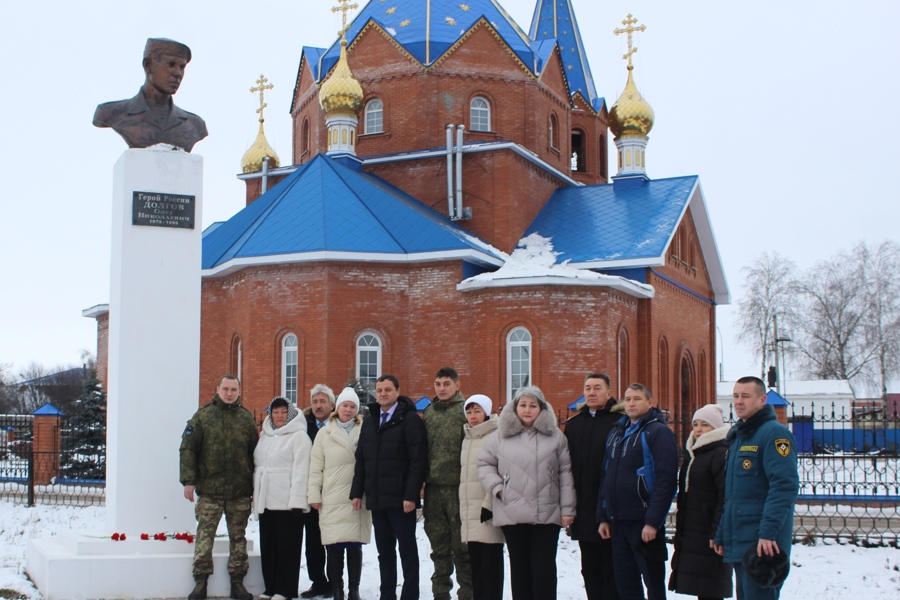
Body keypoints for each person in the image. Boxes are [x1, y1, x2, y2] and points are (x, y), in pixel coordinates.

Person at [477, 385, 575, 600]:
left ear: (541, 409)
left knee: (544, 570)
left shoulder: (555, 436)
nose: (527, 410)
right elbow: (484, 464)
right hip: (513, 512)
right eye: (523, 405)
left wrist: (568, 509)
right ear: (515, 407)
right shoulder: (500, 435)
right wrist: (498, 489)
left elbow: (565, 473)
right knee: (519, 569)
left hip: (547, 514)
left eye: (533, 405)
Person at [714, 377, 799, 599]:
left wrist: (768, 534)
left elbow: (784, 487)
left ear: (762, 400)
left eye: (745, 396)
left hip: (763, 545)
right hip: (741, 539)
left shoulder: (774, 434)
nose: (739, 401)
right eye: (735, 396)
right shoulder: (740, 436)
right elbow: (733, 495)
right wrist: (723, 532)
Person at [179, 374, 259, 600]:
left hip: (239, 491)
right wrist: (189, 480)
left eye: (234, 389)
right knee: (205, 537)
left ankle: (238, 582)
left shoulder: (245, 419)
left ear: (239, 392)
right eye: (225, 388)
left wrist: (255, 485)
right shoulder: (203, 417)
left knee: (238, 538)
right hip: (210, 490)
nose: (229, 393)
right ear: (217, 389)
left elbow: (256, 454)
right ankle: (201, 582)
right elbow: (188, 449)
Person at [597, 383, 678, 600]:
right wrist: (603, 516)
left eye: (637, 398)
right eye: (628, 398)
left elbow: (666, 480)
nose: (631, 403)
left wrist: (653, 522)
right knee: (626, 584)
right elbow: (606, 477)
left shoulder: (658, 432)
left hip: (644, 523)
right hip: (618, 521)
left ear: (650, 403)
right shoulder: (616, 432)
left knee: (653, 584)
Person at [350, 375, 427, 600]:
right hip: (377, 498)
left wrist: (412, 495)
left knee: (407, 552)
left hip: (402, 500)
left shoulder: (410, 420)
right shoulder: (371, 420)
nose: (383, 393)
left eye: (388, 389)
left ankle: (410, 595)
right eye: (380, 390)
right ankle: (387, 594)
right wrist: (357, 492)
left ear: (397, 391)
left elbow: (417, 461)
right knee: (385, 552)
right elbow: (362, 459)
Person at [308, 387, 373, 600]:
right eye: (345, 405)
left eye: (353, 406)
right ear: (338, 407)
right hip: (332, 497)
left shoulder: (366, 431)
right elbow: (315, 467)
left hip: (357, 497)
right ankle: (337, 589)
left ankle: (354, 589)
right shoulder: (324, 434)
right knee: (334, 547)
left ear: (357, 410)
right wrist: (314, 496)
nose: (348, 410)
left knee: (354, 546)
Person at [564, 373, 622, 600]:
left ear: (609, 393)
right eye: (587, 388)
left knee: (612, 569)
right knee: (589, 568)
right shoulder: (575, 424)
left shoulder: (619, 422)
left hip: (610, 508)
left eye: (597, 388)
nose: (591, 392)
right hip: (584, 508)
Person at [93, 38, 208, 151]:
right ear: (148, 65)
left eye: (182, 67)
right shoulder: (111, 112)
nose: (178, 73)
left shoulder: (194, 125)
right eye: (170, 64)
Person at [669, 404, 733, 600]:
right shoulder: (694, 453)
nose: (698, 429)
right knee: (703, 586)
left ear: (715, 428)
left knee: (712, 587)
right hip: (694, 531)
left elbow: (725, 496)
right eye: (695, 424)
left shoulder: (720, 453)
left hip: (708, 532)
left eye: (704, 425)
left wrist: (717, 531)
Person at [253, 397, 313, 600]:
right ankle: (270, 586)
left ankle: (285, 589)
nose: (279, 416)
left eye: (283, 412)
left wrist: (298, 501)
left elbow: (301, 470)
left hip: (288, 503)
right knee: (269, 546)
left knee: (288, 548)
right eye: (275, 412)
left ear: (291, 415)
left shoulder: (299, 437)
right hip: (267, 501)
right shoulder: (266, 435)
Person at [423, 367, 472, 600]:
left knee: (463, 548)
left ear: (457, 385)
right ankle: (440, 594)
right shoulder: (430, 412)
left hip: (458, 489)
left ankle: (468, 594)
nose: (441, 388)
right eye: (438, 384)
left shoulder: (465, 412)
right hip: (433, 490)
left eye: (446, 384)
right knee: (439, 548)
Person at [458, 394, 504, 600]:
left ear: (486, 412)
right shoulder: (468, 438)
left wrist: (489, 504)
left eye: (477, 411)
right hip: (470, 513)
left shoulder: (495, 435)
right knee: (476, 567)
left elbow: (499, 472)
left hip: (488, 511)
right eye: (469, 411)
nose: (472, 416)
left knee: (491, 566)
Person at [302, 384, 337, 598]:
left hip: (334, 492)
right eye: (315, 401)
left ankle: (335, 582)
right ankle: (318, 581)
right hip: (312, 492)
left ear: (332, 405)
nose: (318, 405)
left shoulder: (338, 425)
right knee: (313, 540)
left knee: (333, 540)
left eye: (323, 401)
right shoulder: (303, 427)